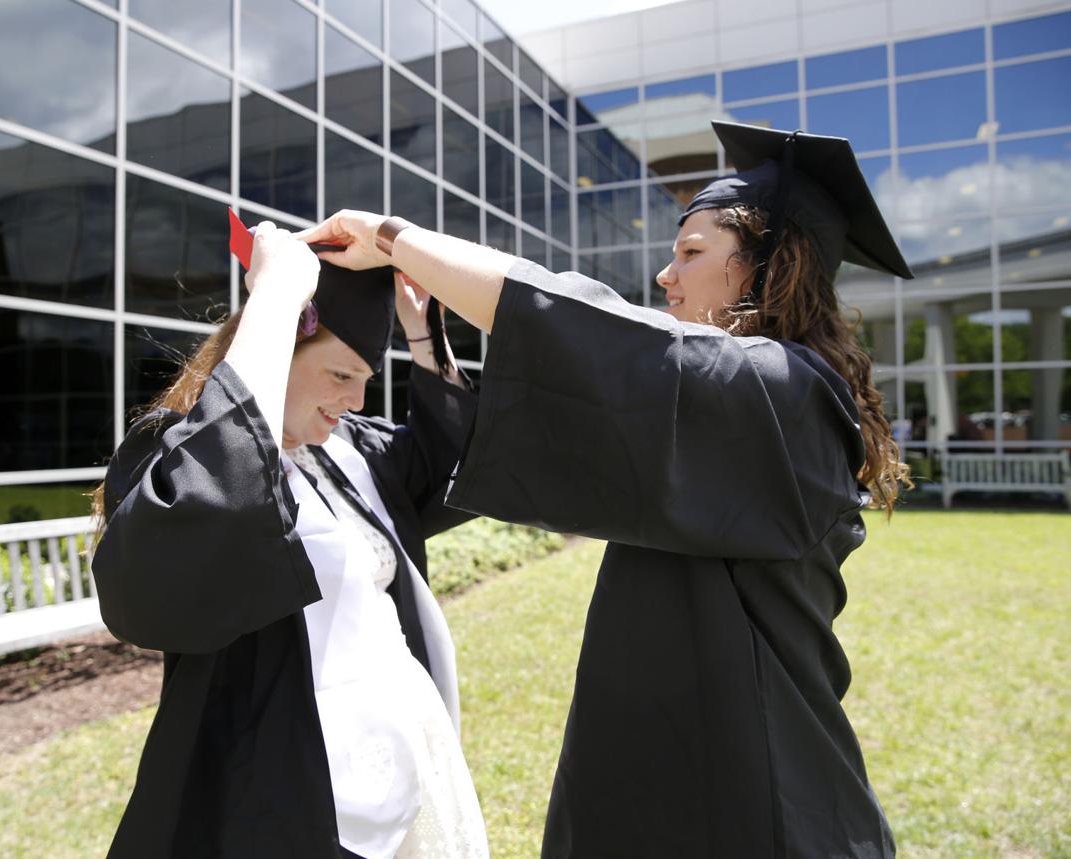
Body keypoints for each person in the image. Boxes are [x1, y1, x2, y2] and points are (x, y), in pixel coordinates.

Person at [297, 122, 913, 858]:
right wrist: (428, 341)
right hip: (665, 758)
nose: (665, 276)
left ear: (768, 269)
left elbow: (585, 331)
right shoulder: (745, 404)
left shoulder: (784, 394)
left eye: (691, 253)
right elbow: (579, 402)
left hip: (751, 782)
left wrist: (391, 235)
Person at [90, 225, 489, 859]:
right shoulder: (183, 460)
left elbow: (456, 466)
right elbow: (201, 530)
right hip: (285, 783)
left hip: (405, 756)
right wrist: (274, 296)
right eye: (340, 373)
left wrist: (424, 333)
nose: (357, 399)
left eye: (365, 378)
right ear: (280, 348)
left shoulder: (348, 453)